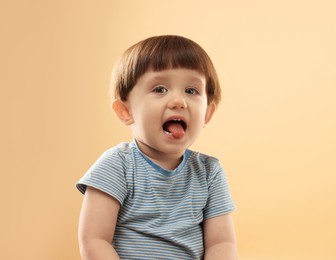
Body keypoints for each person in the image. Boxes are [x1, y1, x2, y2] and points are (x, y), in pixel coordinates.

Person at [76, 35, 236, 259]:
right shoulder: (117, 165)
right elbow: (94, 240)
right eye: (160, 89)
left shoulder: (210, 173)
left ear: (207, 113)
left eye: (191, 91)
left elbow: (222, 244)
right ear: (126, 110)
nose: (178, 101)